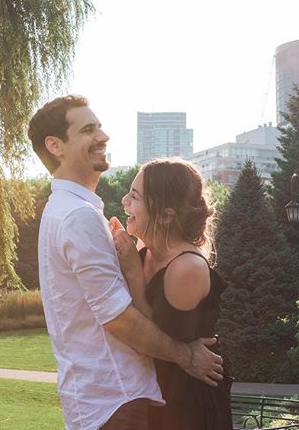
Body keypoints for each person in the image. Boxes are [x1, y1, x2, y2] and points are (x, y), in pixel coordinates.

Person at [28, 96, 223, 430]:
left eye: (100, 127)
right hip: (115, 399)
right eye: (88, 130)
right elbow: (117, 318)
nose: (103, 137)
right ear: (55, 145)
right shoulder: (77, 216)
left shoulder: (71, 210)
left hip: (110, 400)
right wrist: (186, 355)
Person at [112, 158, 233, 430]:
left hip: (189, 404)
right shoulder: (146, 250)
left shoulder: (186, 267)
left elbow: (153, 335)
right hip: (156, 394)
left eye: (134, 197)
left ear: (166, 215)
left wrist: (132, 271)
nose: (124, 201)